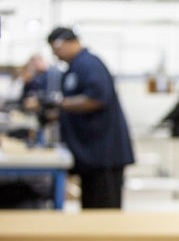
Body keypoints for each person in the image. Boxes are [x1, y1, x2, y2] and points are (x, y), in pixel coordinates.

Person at [47, 27, 134, 208]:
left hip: (104, 155)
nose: (56, 55)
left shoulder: (89, 64)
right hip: (91, 156)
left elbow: (97, 98)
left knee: (104, 212)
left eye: (56, 49)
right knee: (91, 209)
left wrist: (61, 103)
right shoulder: (75, 67)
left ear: (67, 42)